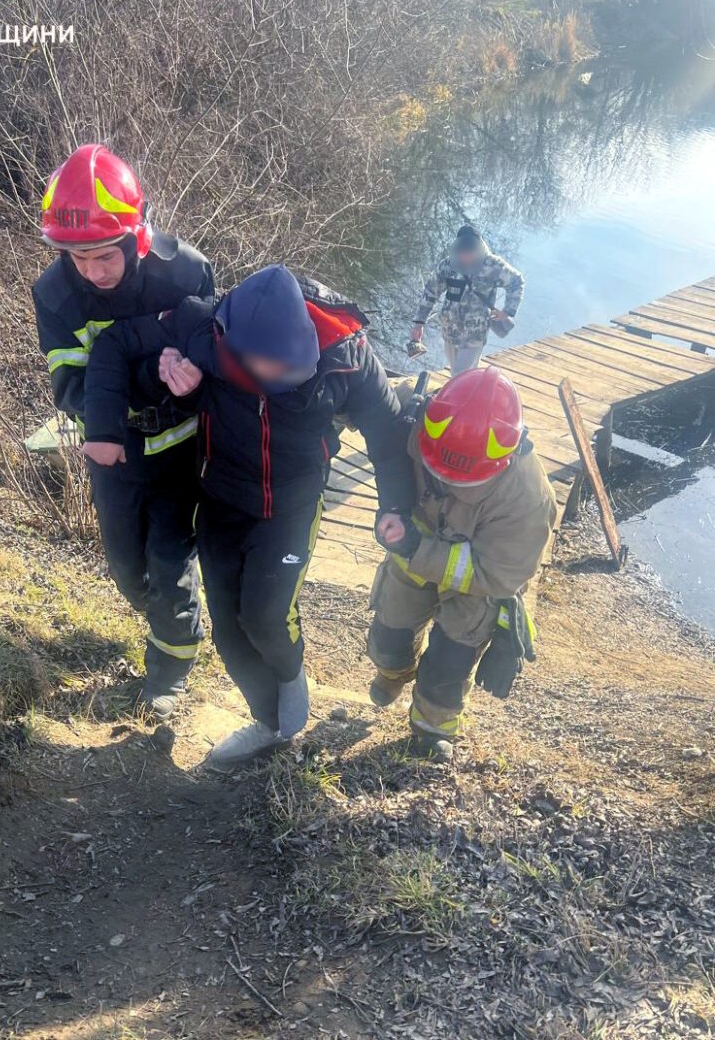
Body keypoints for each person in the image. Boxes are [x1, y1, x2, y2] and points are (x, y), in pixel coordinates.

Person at [83, 265, 412, 767]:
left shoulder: (345, 353)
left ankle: (291, 704)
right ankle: (268, 723)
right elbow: (114, 345)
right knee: (228, 628)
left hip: (294, 502)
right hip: (220, 497)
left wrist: (394, 505)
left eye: (291, 368)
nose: (283, 378)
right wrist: (112, 422)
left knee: (267, 616)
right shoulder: (201, 324)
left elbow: (388, 432)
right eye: (269, 370)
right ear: (229, 343)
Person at [32, 143, 215, 720]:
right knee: (125, 567)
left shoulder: (184, 271)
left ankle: (170, 670)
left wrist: (191, 376)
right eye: (77, 258)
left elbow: (218, 356)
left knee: (168, 555)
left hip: (182, 446)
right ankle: (169, 614)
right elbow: (68, 387)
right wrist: (141, 376)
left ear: (136, 236)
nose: (93, 271)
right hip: (113, 452)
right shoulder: (55, 295)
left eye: (104, 256)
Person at [368, 367, 557, 762]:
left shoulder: (529, 500)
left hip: (474, 584)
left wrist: (417, 547)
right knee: (389, 636)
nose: (443, 481)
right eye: (434, 468)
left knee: (449, 664)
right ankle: (393, 672)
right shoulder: (417, 409)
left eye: (460, 480)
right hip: (410, 556)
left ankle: (431, 729)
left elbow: (499, 574)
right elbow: (364, 394)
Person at [409, 225, 524, 374]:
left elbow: (516, 282)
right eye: (462, 252)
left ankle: (457, 395)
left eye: (469, 251)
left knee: (460, 375)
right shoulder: (447, 266)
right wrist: (419, 322)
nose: (465, 256)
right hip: (450, 330)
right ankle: (469, 393)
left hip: (475, 332)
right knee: (458, 373)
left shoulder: (493, 265)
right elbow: (431, 292)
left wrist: (508, 310)